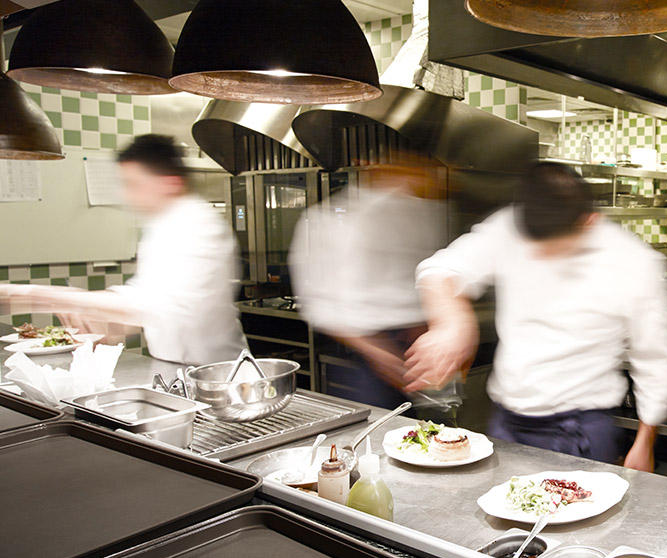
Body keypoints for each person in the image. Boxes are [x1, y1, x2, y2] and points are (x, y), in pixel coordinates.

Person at [403, 162, 667, 471]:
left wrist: (645, 443)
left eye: (555, 247)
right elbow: (441, 269)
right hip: (507, 422)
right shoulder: (510, 226)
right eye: (534, 245)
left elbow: (656, 361)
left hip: (580, 431)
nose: (542, 255)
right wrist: (452, 322)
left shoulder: (633, 261)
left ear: (589, 222)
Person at [0, 134, 245, 365]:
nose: (125, 194)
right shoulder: (161, 226)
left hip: (220, 373)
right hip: (177, 367)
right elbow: (145, 299)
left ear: (170, 183)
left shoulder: (198, 224)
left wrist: (33, 295)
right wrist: (106, 327)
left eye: (133, 184)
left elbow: (160, 305)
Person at [290, 158, 446, 409]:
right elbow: (318, 304)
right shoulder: (327, 219)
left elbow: (421, 277)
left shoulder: (418, 212)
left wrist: (426, 333)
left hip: (411, 347)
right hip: (362, 353)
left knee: (422, 433)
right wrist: (377, 353)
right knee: (369, 429)